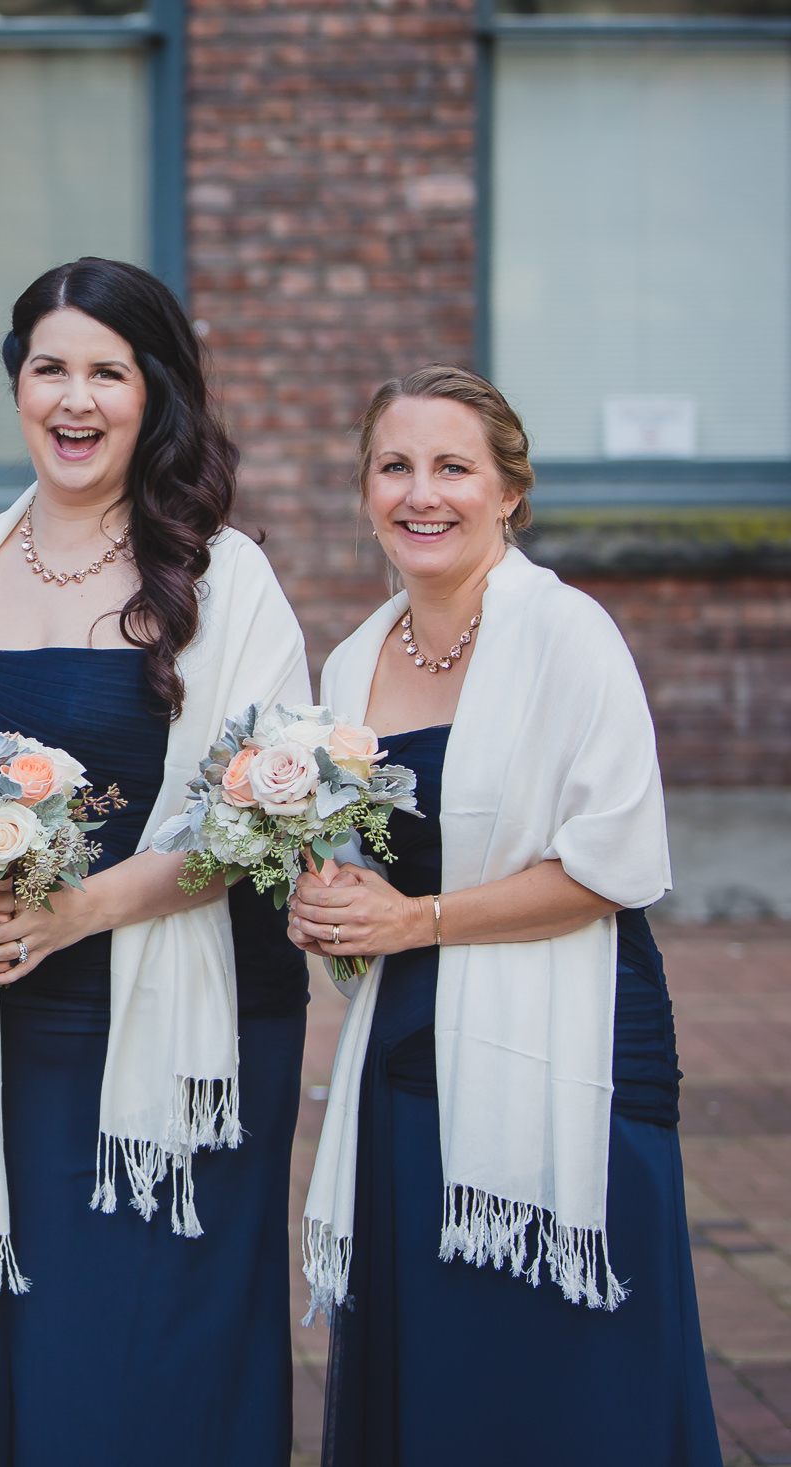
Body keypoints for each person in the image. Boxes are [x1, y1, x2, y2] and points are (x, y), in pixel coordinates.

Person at [0, 258, 312, 1465]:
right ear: (15, 384)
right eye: (49, 369)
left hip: (182, 1016)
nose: (75, 401)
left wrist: (69, 914)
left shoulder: (227, 579)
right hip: (3, 1011)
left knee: (163, 1341)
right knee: (28, 1337)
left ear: (153, 391)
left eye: (107, 373)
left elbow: (250, 816)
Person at [294, 365, 719, 1465]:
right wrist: (327, 901)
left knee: (573, 1370)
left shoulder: (568, 634)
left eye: (452, 468)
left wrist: (413, 920)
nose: (420, 495)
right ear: (365, 490)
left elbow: (610, 867)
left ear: (508, 493)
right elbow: (361, 865)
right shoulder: (348, 666)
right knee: (439, 1369)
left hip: (576, 1037)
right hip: (408, 1048)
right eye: (395, 467)